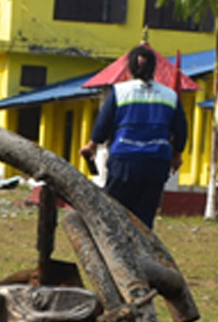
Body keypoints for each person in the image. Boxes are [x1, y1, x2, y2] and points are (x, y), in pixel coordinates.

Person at [79, 45, 187, 230]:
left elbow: (103, 123)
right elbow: (181, 130)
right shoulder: (170, 96)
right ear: (154, 67)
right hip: (156, 163)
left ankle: (116, 255)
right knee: (144, 218)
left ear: (130, 67)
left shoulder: (120, 92)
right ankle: (140, 256)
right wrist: (177, 154)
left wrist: (92, 144)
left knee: (114, 213)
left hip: (124, 162)